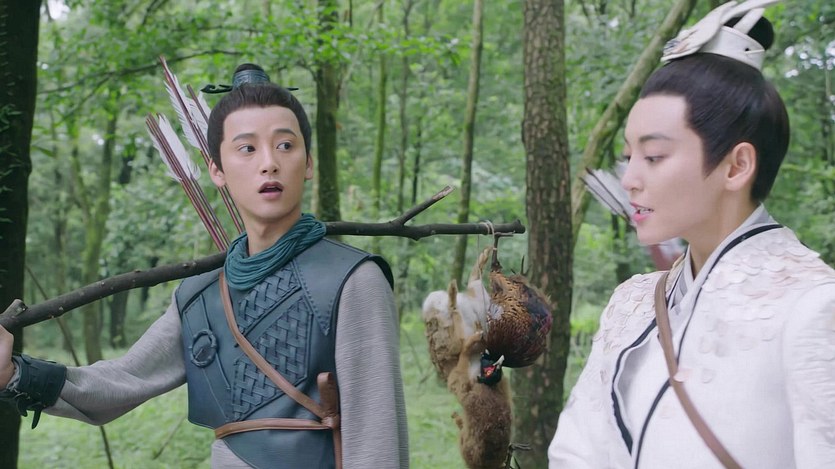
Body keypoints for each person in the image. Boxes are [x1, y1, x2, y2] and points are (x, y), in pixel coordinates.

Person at [0, 63, 409, 469]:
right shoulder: (200, 296)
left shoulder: (353, 280)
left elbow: (377, 441)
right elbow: (122, 381)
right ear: (217, 170)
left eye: (286, 145)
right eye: (247, 148)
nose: (269, 162)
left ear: (309, 163)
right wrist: (15, 373)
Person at [548, 1, 835, 468]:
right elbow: (576, 451)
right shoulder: (633, 303)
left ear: (736, 166)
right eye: (628, 157)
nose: (629, 179)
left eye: (654, 157)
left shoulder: (813, 306)